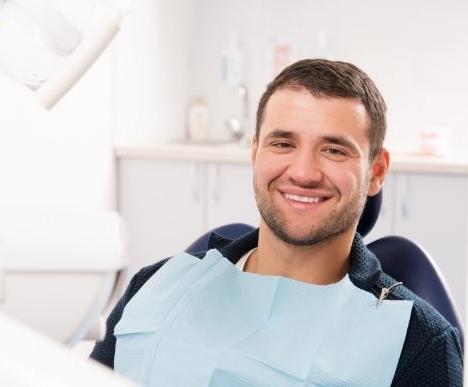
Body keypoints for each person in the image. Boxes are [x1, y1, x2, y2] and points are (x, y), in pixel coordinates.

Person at [90, 59, 463, 386]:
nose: (302, 172)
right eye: (283, 144)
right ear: (254, 153)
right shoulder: (155, 285)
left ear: (376, 171)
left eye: (333, 150)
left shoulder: (419, 342)